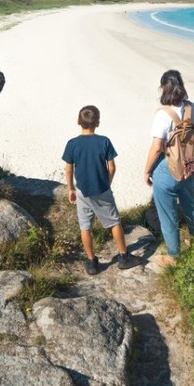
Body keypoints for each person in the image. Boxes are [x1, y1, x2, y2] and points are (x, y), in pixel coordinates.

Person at [63, 105, 145, 275]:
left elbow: (69, 170)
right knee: (114, 222)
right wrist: (106, 183)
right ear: (97, 123)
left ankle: (92, 262)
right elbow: (112, 167)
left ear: (78, 122)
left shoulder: (72, 144)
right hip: (101, 189)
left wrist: (71, 189)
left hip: (81, 191)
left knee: (85, 226)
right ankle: (123, 257)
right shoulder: (104, 141)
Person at [143, 70, 194, 266]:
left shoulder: (163, 114)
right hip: (190, 165)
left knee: (167, 213)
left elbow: (156, 148)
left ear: (163, 88)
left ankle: (173, 255)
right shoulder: (192, 108)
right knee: (190, 204)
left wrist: (146, 170)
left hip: (168, 168)